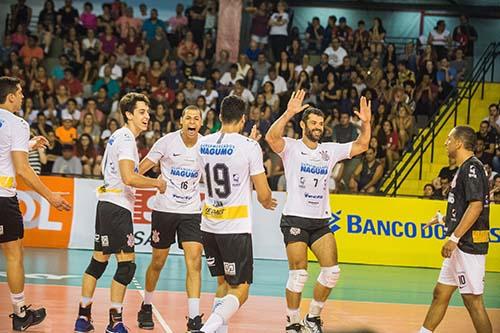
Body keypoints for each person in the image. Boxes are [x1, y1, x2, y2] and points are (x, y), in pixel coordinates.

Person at [265, 90, 371, 332]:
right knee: (299, 275)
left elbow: (363, 145)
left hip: (321, 221)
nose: (317, 127)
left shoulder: (330, 150)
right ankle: (292, 322)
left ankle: (312, 318)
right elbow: (271, 139)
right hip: (295, 218)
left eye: (321, 124)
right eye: (313, 123)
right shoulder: (291, 147)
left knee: (332, 272)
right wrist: (289, 113)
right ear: (303, 125)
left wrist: (366, 123)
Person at [73, 93, 166, 333]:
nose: (147, 116)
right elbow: (129, 178)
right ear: (128, 114)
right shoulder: (126, 139)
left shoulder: (117, 137)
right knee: (127, 267)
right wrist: (157, 183)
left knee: (97, 262)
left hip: (106, 204)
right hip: (116, 207)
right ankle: (115, 322)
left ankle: (83, 318)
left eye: (148, 112)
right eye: (142, 112)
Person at [190, 95, 277, 333]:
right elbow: (263, 194)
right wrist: (268, 201)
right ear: (243, 119)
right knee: (241, 288)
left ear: (219, 117)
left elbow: (206, 171)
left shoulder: (203, 143)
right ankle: (206, 330)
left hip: (208, 225)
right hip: (235, 228)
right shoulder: (250, 147)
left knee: (223, 283)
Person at [0, 76, 71, 330]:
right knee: (14, 254)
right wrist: (50, 196)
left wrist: (27, 144)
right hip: (2, 197)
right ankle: (20, 315)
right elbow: (22, 168)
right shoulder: (17, 123)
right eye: (19, 93)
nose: (22, 96)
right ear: (10, 97)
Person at [136, 106, 205, 331]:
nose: (192, 121)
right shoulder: (166, 142)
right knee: (158, 261)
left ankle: (194, 318)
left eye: (196, 118)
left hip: (192, 211)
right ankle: (146, 306)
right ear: (181, 121)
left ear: (201, 123)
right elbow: (141, 168)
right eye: (188, 118)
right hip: (164, 209)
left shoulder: (206, 146)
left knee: (194, 261)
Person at [420, 126, 492, 333]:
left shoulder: (472, 168)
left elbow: (476, 206)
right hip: (460, 244)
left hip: (468, 246)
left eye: (449, 139)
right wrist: (444, 220)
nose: (446, 143)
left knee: (473, 301)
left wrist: (454, 238)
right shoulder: (464, 168)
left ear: (459, 142)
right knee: (440, 293)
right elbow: (463, 208)